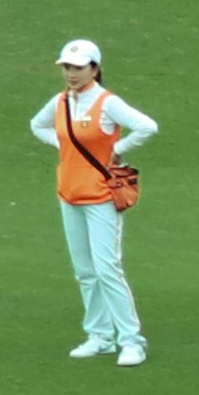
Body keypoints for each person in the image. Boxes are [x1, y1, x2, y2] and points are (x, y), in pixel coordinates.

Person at [34, 37, 159, 364]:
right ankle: (99, 336)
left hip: (100, 196)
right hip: (69, 193)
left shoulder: (106, 102)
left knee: (107, 269)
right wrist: (64, 147)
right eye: (67, 67)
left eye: (78, 67)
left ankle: (131, 340)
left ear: (94, 69)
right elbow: (37, 125)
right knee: (85, 271)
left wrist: (117, 150)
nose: (71, 73)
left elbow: (147, 127)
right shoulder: (61, 102)